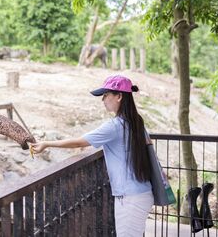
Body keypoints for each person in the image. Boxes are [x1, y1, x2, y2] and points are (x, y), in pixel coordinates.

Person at [30, 75, 153, 237]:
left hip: (130, 198)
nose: (103, 100)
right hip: (140, 193)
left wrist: (47, 143)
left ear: (119, 96)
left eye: (106, 95)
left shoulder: (115, 126)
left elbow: (79, 142)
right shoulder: (136, 121)